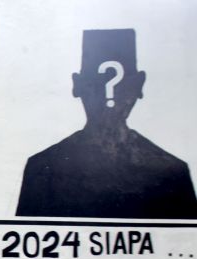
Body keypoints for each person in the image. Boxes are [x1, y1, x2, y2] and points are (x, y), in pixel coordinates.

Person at [17, 29, 197, 219]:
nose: (108, 93)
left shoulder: (174, 174)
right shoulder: (42, 168)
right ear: (77, 85)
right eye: (96, 83)